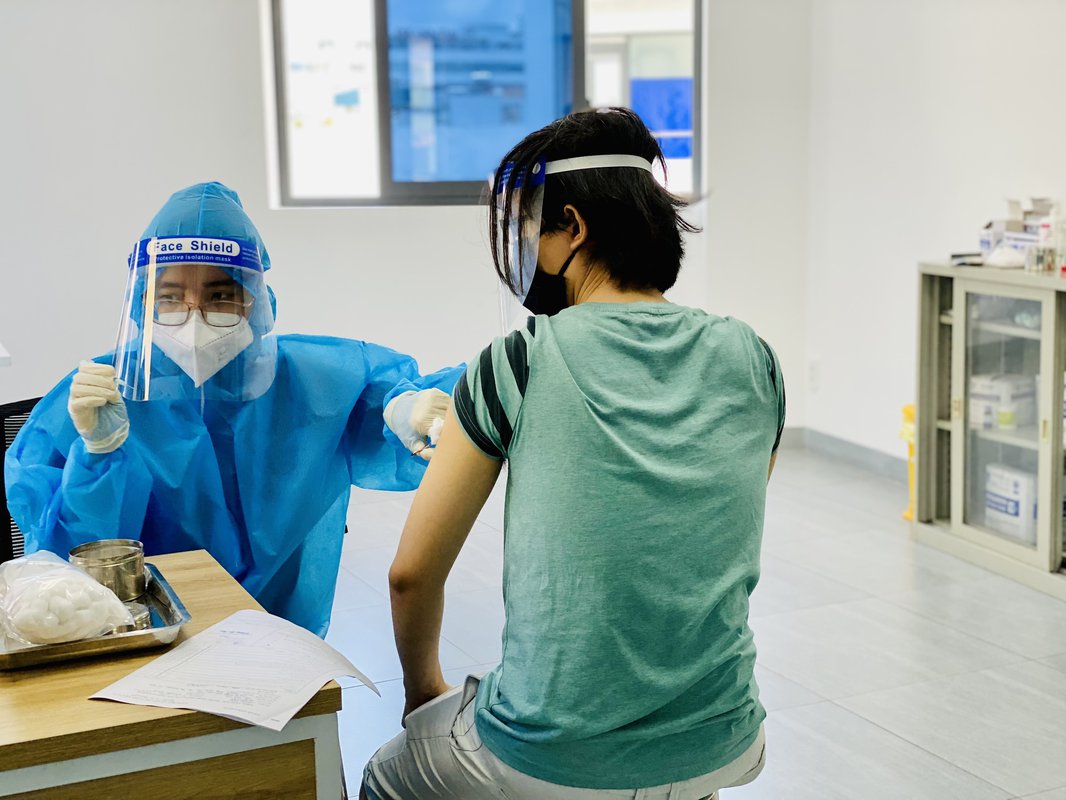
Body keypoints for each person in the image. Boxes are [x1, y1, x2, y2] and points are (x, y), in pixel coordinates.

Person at [360, 108, 784, 800]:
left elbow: (410, 575)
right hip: (725, 739)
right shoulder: (753, 357)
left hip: (551, 757)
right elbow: (706, 524)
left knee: (388, 773)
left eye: (530, 225)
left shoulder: (520, 361)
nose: (525, 244)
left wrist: (423, 694)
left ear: (572, 229)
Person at [4, 181, 460, 636]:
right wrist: (98, 453)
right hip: (141, 630)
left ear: (257, 301)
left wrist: (404, 405)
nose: (195, 316)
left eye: (220, 295)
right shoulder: (100, 392)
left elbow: (390, 393)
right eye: (170, 295)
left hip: (277, 633)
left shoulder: (307, 379)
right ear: (143, 301)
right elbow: (67, 562)